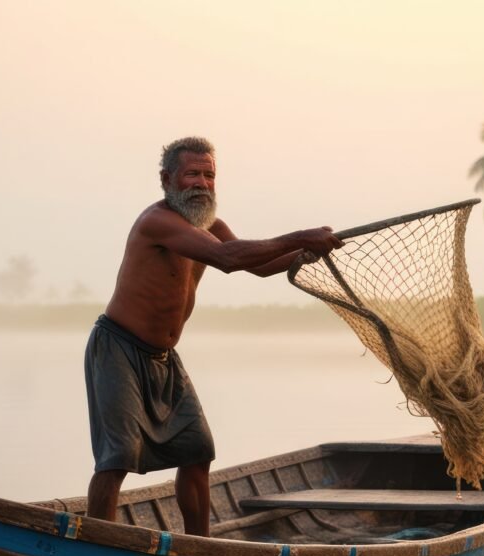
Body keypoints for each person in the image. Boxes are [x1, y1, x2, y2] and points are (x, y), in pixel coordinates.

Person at [84, 136, 341, 535]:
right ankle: (97, 543)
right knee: (117, 458)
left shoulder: (211, 226)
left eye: (209, 175)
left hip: (164, 357)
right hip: (118, 348)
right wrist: (301, 237)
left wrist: (313, 252)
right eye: (192, 175)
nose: (202, 183)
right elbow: (228, 258)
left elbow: (257, 264)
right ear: (167, 179)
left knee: (198, 451)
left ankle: (201, 546)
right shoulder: (158, 221)